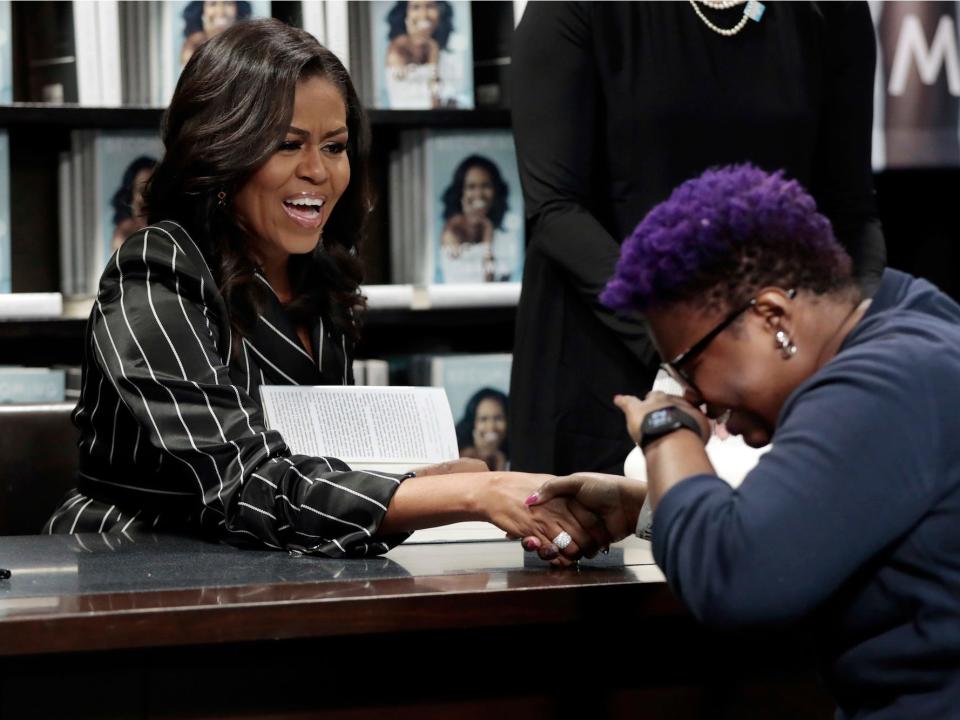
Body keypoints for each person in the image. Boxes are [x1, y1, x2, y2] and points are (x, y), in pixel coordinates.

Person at [44, 19, 607, 562]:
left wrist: (431, 483)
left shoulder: (323, 273)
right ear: (221, 149)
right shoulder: (155, 268)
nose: (319, 171)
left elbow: (315, 468)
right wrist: (472, 497)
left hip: (281, 556)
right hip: (133, 560)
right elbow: (244, 484)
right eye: (288, 144)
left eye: (335, 147)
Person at [528, 164, 960, 717]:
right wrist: (647, 506)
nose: (695, 396)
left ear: (771, 316)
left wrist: (666, 427)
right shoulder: (913, 332)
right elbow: (811, 524)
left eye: (686, 365)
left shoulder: (886, 380)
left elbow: (736, 580)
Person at [508, 2, 888, 477]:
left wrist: (855, 337)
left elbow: (850, 208)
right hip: (608, 354)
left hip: (775, 368)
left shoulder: (830, 12)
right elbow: (556, 207)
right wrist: (686, 352)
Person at [440, 154, 509, 281]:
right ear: (460, 192)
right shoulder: (452, 229)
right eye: (471, 187)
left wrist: (486, 226)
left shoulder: (506, 234)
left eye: (486, 186)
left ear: (496, 190)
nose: (479, 194)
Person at [384, 1, 461, 109]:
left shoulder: (448, 55)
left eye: (430, 7)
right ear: (405, 13)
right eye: (416, 7)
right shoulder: (397, 50)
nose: (423, 14)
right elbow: (432, 105)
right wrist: (432, 51)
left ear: (440, 11)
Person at [180, 0, 252, 66]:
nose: (221, 12)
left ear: (238, 7)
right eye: (212, 4)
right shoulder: (193, 46)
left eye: (228, 3)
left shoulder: (249, 44)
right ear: (201, 9)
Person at [455, 388, 509, 471]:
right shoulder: (459, 458)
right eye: (483, 419)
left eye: (498, 418)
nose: (491, 427)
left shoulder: (518, 457)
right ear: (472, 423)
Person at [110, 156, 157, 252]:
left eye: (153, 192)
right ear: (131, 194)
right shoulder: (125, 233)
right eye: (142, 191)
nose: (147, 198)